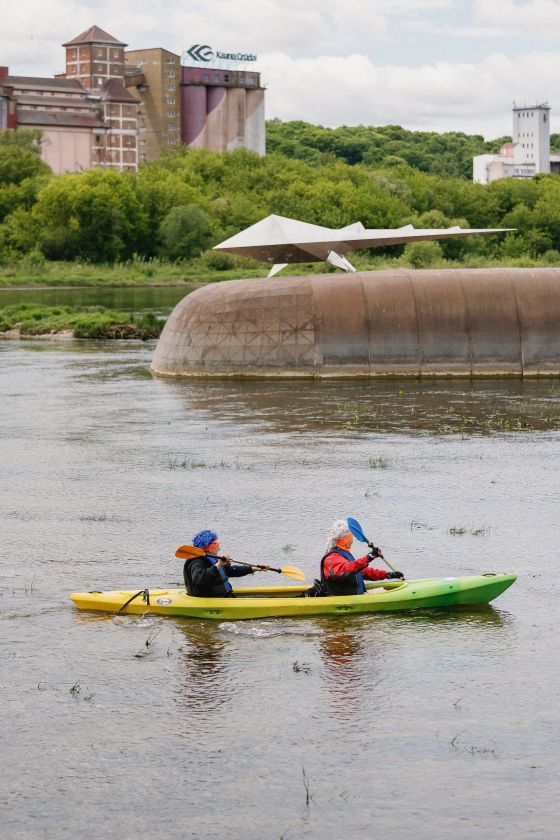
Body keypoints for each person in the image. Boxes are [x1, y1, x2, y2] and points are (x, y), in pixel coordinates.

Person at [320, 520, 404, 596]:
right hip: (341, 600)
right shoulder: (331, 558)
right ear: (344, 539)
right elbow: (348, 569)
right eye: (350, 538)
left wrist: (388, 574)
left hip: (355, 596)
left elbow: (363, 572)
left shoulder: (343, 554)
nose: (352, 541)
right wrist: (369, 557)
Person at [183, 529, 269, 597]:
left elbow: (230, 571)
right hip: (208, 599)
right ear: (210, 547)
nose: (219, 549)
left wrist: (254, 568)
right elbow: (198, 580)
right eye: (217, 546)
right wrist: (219, 565)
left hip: (221, 596)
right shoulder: (196, 561)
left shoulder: (212, 559)